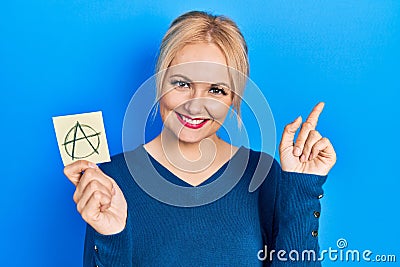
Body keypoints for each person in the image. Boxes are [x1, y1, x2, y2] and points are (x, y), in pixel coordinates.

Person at [63, 11, 336, 266]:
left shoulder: (262, 175)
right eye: (182, 84)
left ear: (234, 99)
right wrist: (111, 236)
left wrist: (302, 188)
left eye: (216, 90)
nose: (195, 106)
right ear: (160, 81)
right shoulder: (110, 180)